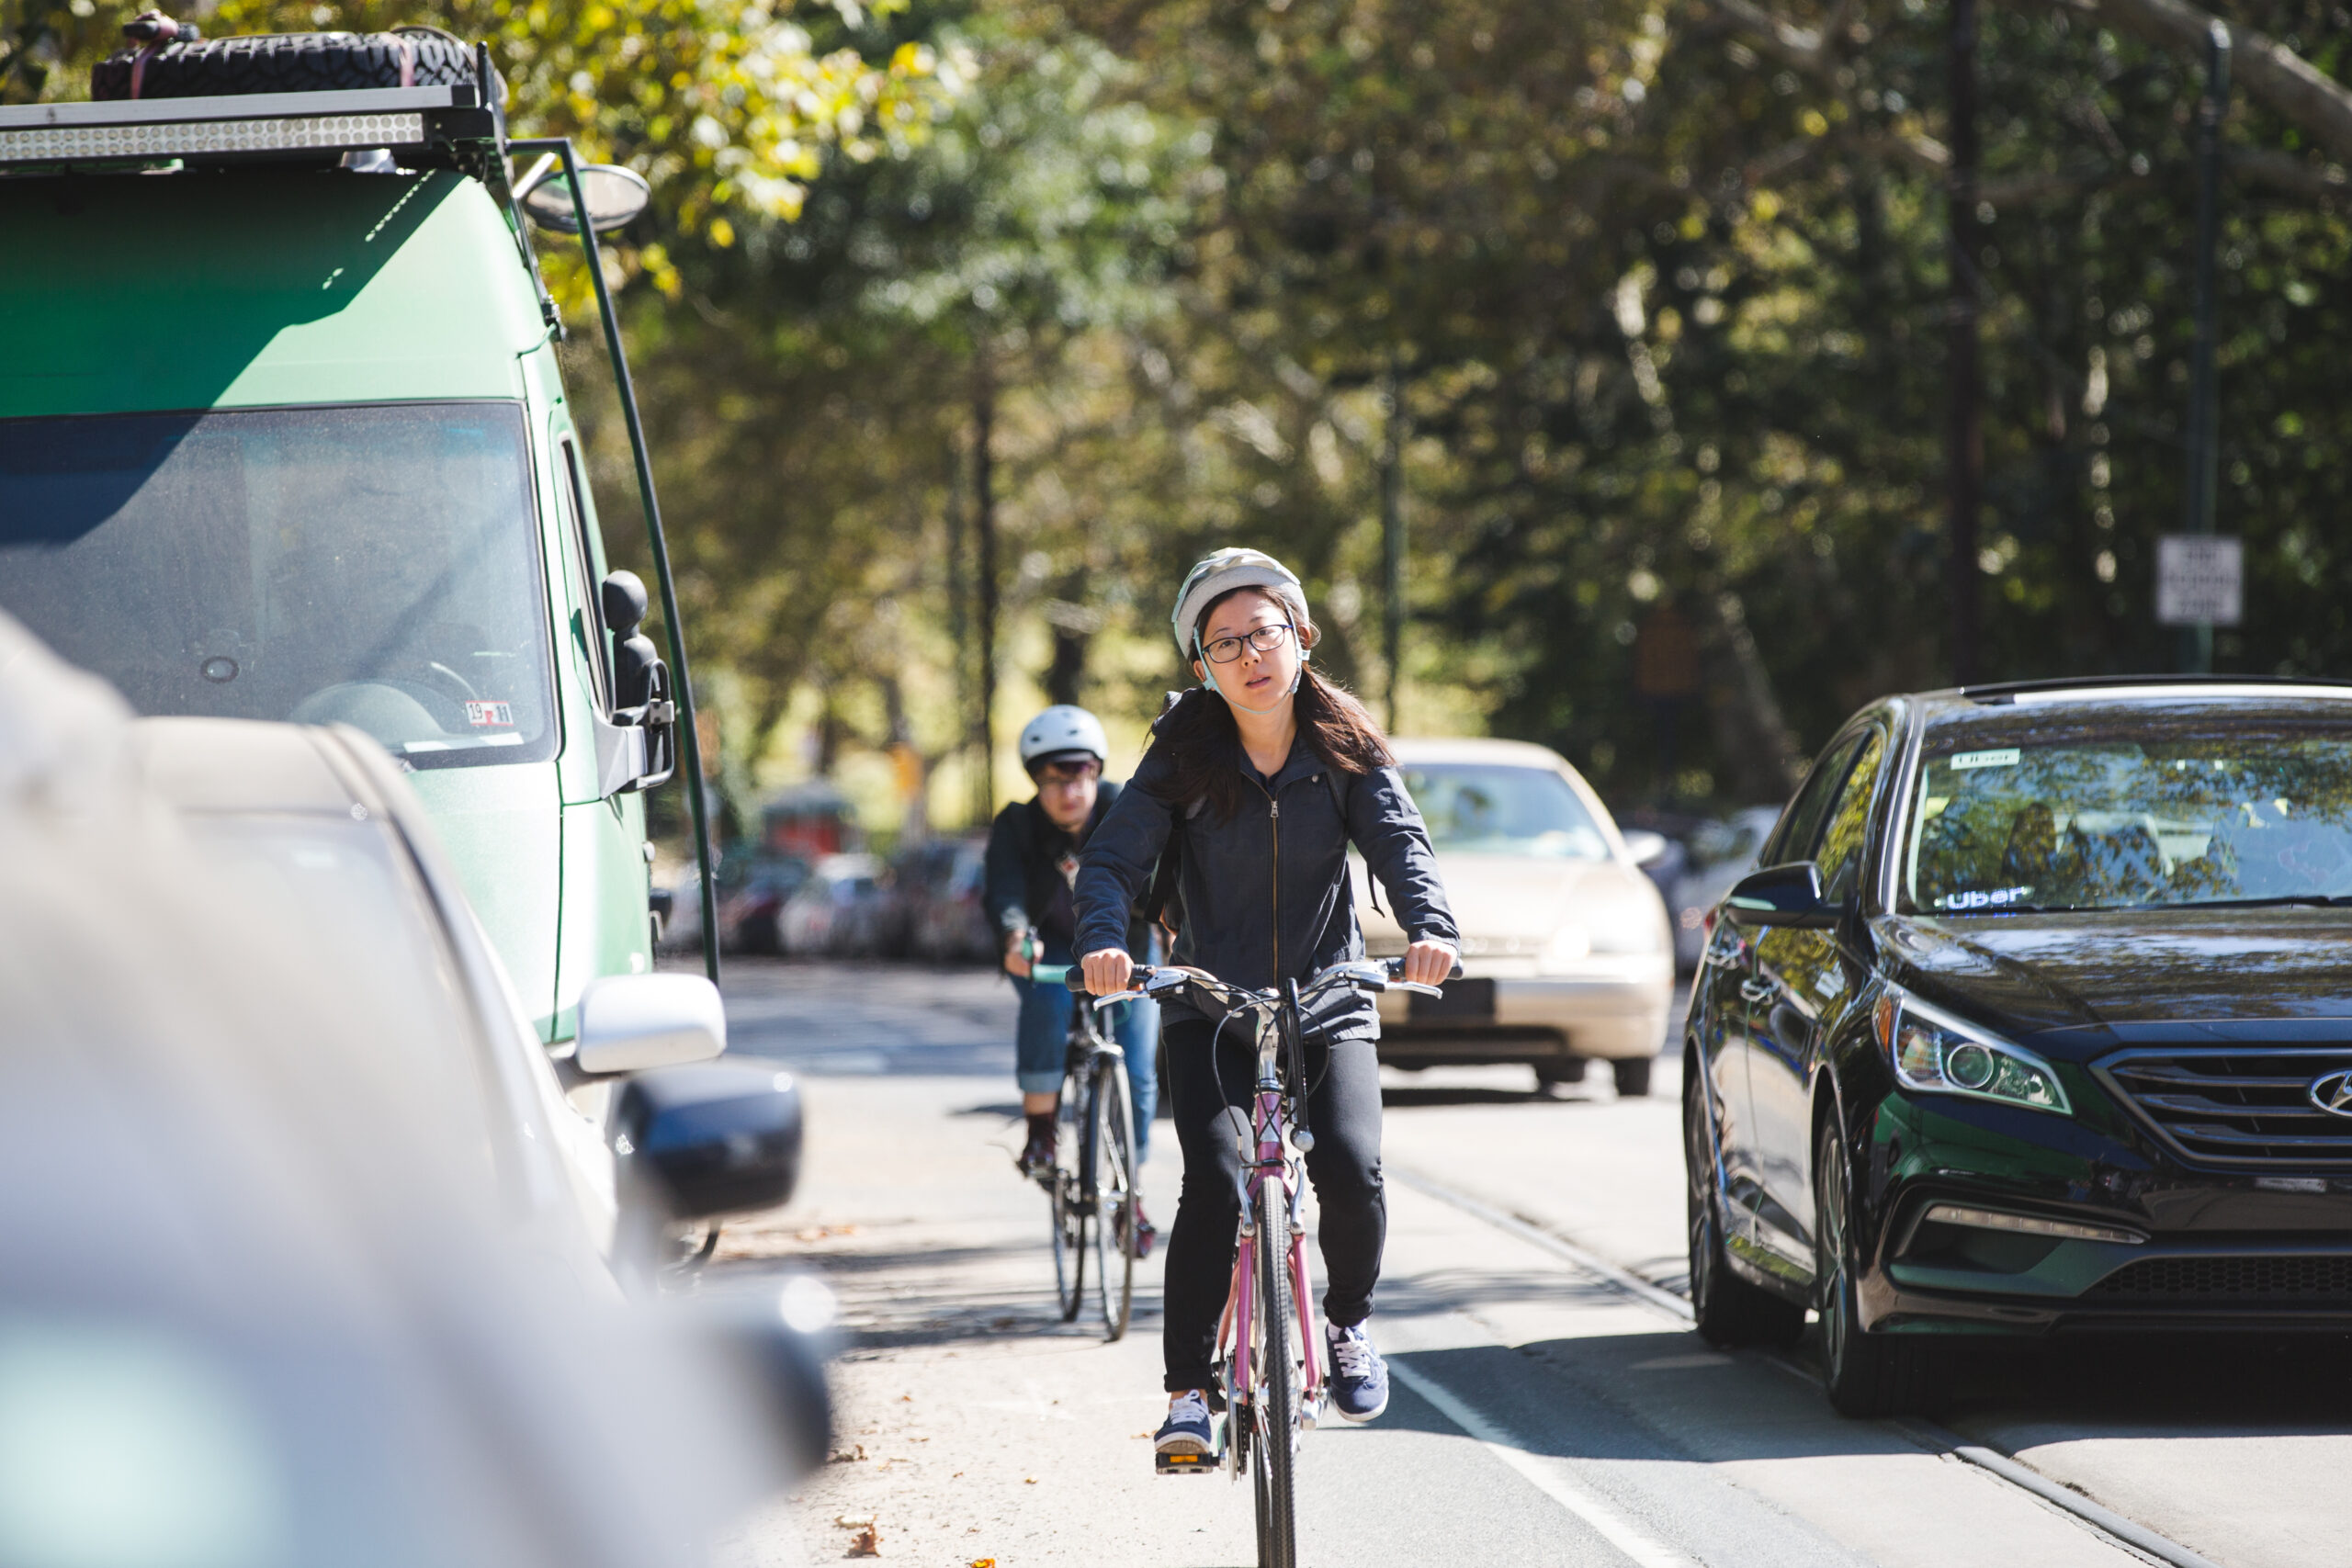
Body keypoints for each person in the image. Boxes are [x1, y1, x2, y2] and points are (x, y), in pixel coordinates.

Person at [1071, 548, 1458, 1468]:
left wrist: (1430, 927)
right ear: (1202, 668)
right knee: (1212, 1182)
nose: (1251, 655)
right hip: (1209, 1005)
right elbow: (1113, 861)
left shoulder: (1343, 748)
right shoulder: (1181, 757)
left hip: (1327, 999)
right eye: (1225, 644)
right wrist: (1103, 940)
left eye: (1265, 632)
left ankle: (1349, 1324)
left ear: (1301, 636)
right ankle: (1186, 1395)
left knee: (1356, 1171)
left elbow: (1402, 845)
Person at [984, 704, 1161, 1252]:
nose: (1068, 790)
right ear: (1036, 780)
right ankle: (1040, 1132)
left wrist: (1170, 924)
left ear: (1097, 770)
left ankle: (1129, 1192)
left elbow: (1159, 876)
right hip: (1050, 948)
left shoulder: (1124, 809)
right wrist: (1015, 938)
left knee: (1136, 1064)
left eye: (1079, 772)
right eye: (1052, 777)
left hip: (1124, 950)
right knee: (1047, 998)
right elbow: (1005, 892)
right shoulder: (1016, 824)